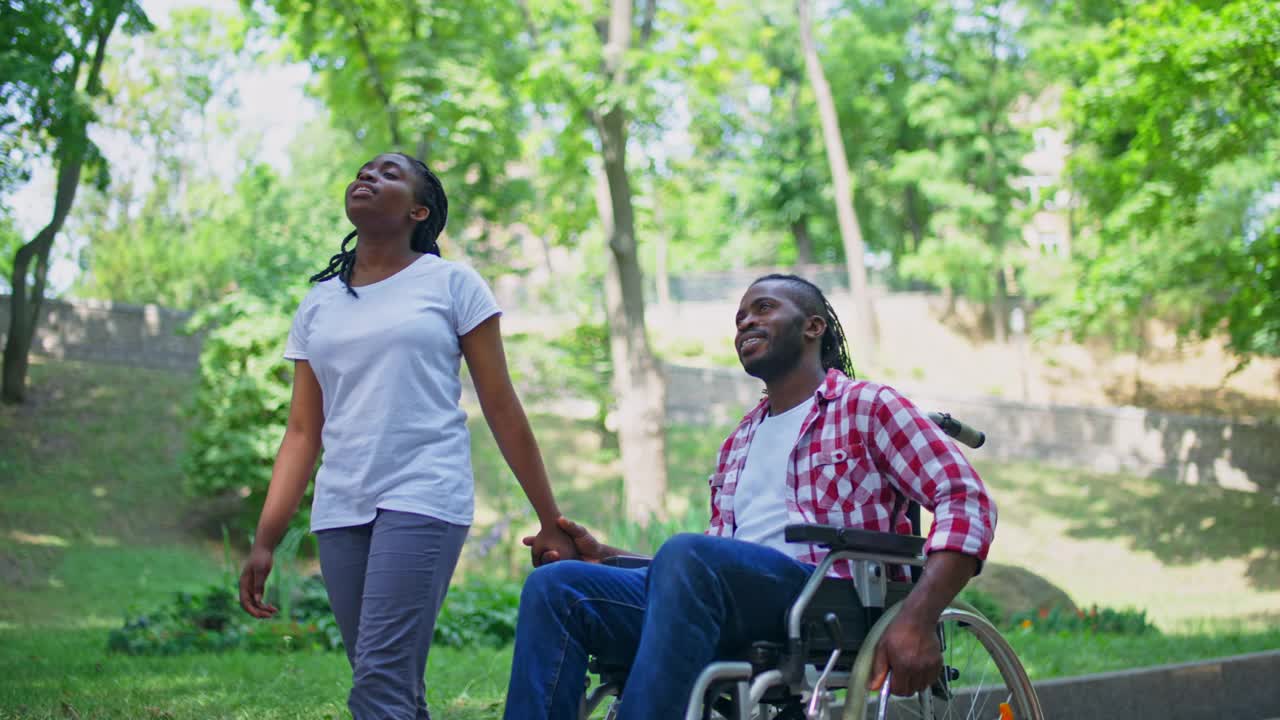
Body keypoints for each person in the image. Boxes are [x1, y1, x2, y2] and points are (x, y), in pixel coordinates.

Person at [502, 274, 997, 720]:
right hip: (742, 597)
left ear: (813, 327)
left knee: (689, 552)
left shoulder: (866, 406)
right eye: (739, 318)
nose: (745, 323)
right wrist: (612, 558)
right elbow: (702, 575)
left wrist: (919, 615)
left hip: (828, 596)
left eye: (763, 309)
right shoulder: (740, 439)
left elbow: (966, 500)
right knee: (559, 587)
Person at [237, 152, 577, 720]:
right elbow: (302, 432)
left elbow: (501, 406)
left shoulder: (451, 284)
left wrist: (549, 517)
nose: (368, 176)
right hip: (341, 505)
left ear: (419, 211)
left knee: (378, 686)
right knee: (391, 687)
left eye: (389, 174)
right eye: (364, 171)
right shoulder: (319, 301)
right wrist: (266, 540)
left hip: (424, 493)